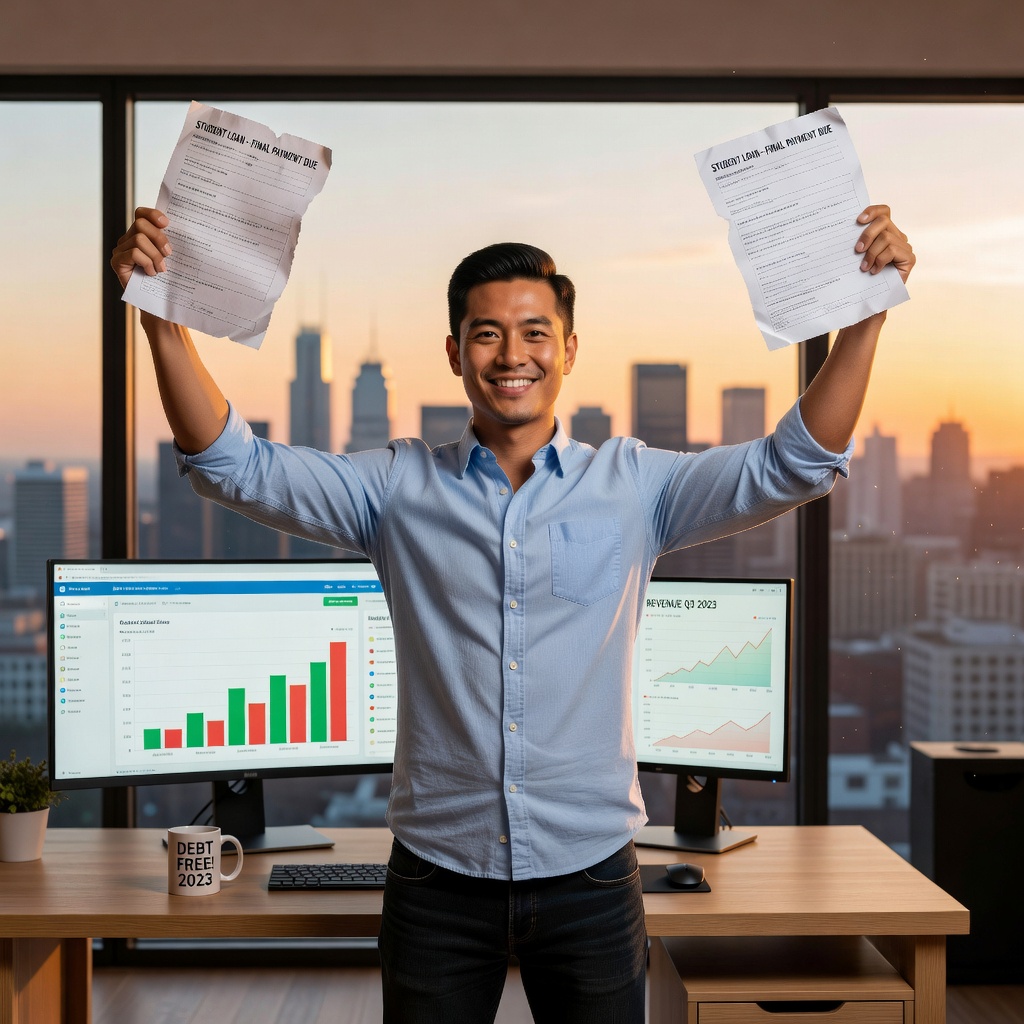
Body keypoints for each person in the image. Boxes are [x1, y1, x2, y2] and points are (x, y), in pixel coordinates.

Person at [111, 205, 914, 1023]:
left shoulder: (636, 488)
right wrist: (163, 328)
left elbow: (797, 464)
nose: (512, 354)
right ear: (457, 354)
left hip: (592, 880)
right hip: (437, 882)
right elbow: (231, 467)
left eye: (535, 332)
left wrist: (865, 321)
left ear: (567, 350)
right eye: (487, 334)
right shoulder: (395, 490)